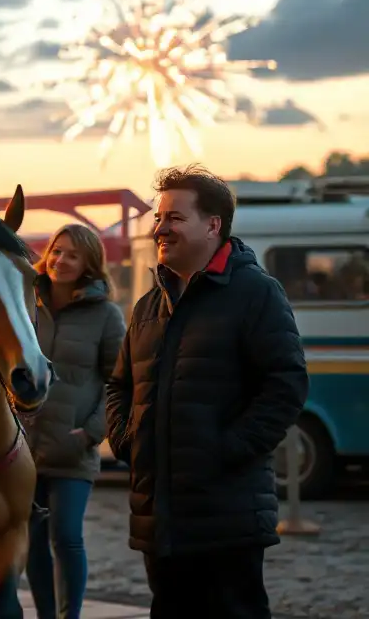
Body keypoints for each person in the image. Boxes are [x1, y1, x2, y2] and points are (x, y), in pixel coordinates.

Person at [105, 165, 309, 619]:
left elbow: (286, 384)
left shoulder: (256, 293)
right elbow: (118, 384)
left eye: (175, 218)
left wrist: (226, 450)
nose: (161, 228)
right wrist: (127, 441)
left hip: (228, 516)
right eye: (159, 218)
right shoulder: (148, 306)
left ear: (213, 225)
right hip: (159, 517)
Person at [24, 224, 125, 619]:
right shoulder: (25, 304)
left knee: (66, 537)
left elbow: (119, 383)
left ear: (88, 264)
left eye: (72, 255)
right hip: (22, 450)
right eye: (57, 251)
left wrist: (91, 433)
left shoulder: (106, 315)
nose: (61, 260)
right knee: (32, 542)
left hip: (72, 448)